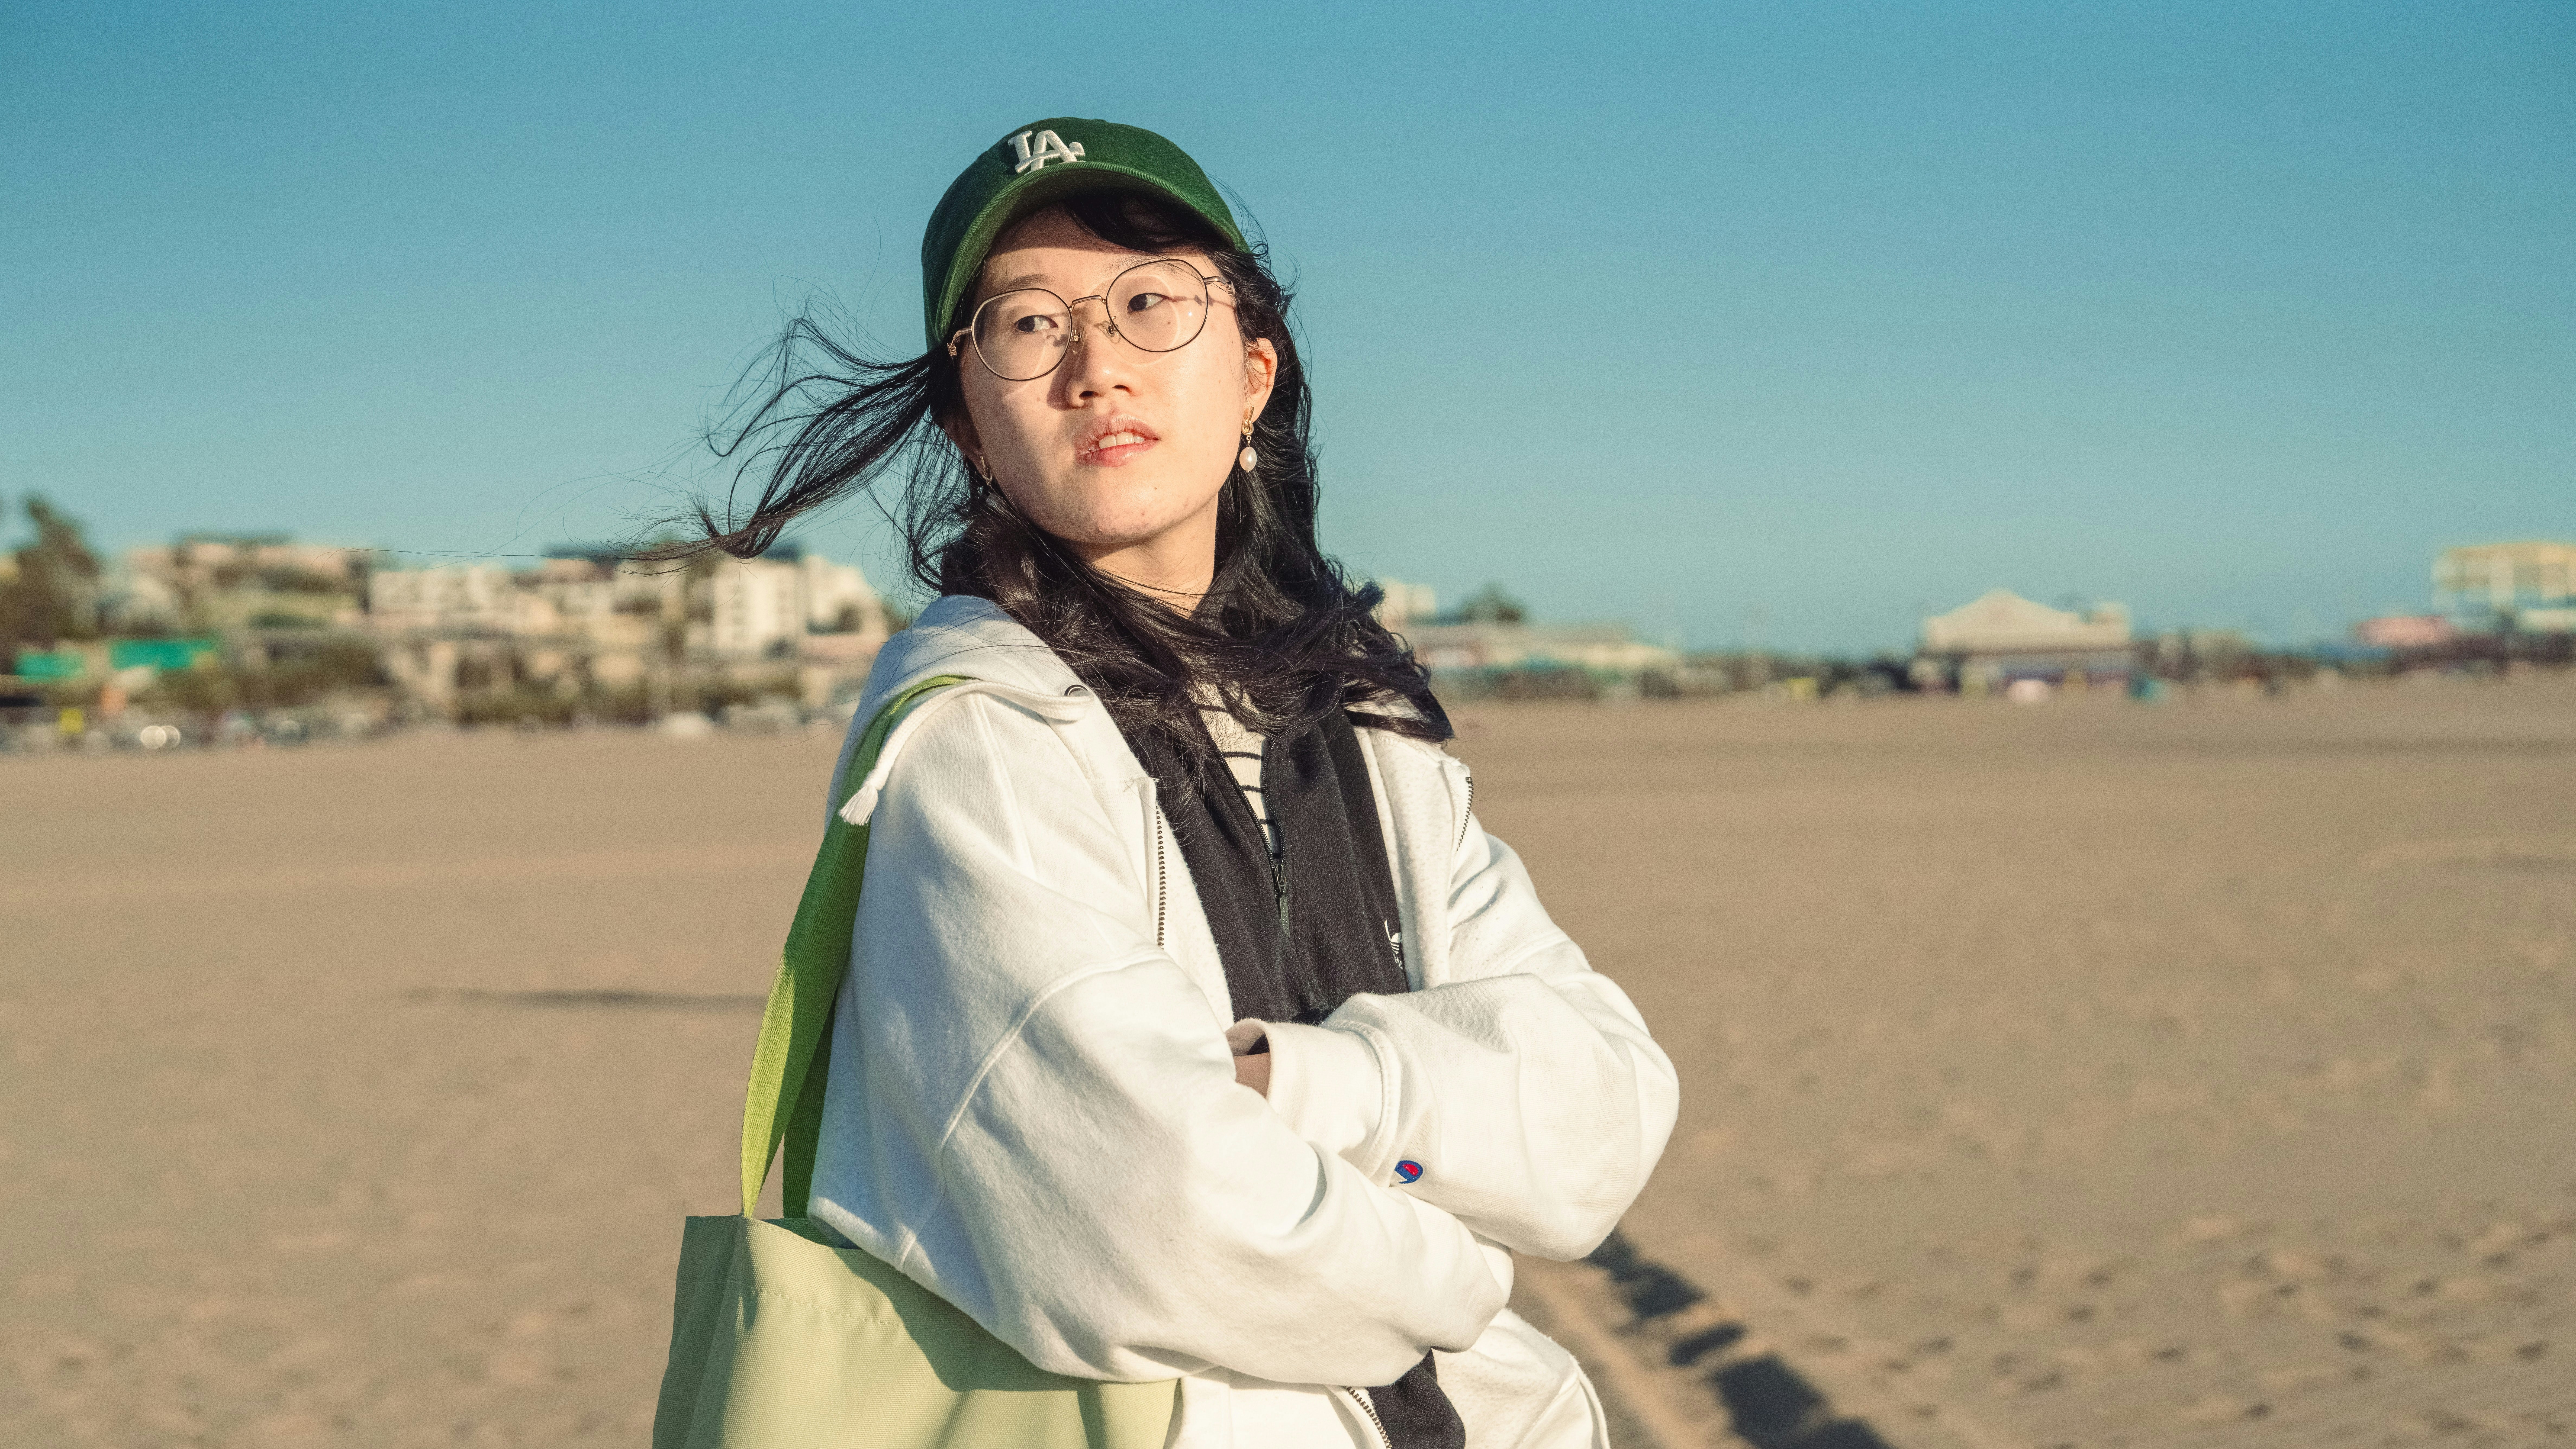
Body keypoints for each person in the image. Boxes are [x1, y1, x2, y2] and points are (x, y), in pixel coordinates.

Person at [691, 118, 1678, 1449]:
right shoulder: (978, 733)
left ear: (1255, 370)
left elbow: (1605, 1108)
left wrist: (1302, 1085)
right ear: (969, 421)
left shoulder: (1367, 729)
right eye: (1029, 326)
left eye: (1151, 302)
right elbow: (1143, 1216)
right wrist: (1464, 1274)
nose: (1096, 365)